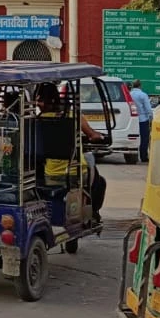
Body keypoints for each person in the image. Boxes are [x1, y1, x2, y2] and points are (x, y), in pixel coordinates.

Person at [35, 82, 108, 217]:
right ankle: (91, 213)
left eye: (39, 100)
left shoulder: (37, 121)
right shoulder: (73, 116)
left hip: (50, 174)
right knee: (98, 179)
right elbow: (92, 135)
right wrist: (97, 136)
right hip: (74, 173)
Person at [129, 80, 155, 163]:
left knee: (133, 137)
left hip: (132, 119)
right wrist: (152, 118)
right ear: (140, 86)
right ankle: (143, 156)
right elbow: (148, 109)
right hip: (143, 119)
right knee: (144, 138)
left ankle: (133, 155)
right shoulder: (143, 95)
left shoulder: (129, 94)